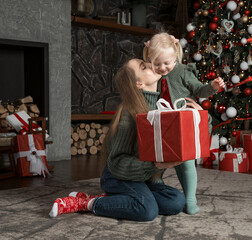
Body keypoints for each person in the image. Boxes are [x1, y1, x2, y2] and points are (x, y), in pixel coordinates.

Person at [49, 58, 187, 221]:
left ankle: (122, 199)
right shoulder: (129, 114)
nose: (151, 65)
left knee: (176, 201)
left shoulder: (161, 107)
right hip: (117, 176)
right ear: (138, 84)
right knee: (147, 210)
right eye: (144, 66)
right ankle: (87, 203)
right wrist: (155, 164)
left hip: (140, 178)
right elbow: (117, 163)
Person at [143, 32, 225, 215]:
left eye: (167, 63)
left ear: (175, 57)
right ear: (150, 59)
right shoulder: (150, 74)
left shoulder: (181, 71)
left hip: (182, 124)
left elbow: (199, 89)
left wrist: (211, 87)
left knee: (186, 162)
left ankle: (190, 198)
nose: (163, 68)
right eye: (157, 64)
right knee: (159, 158)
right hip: (162, 124)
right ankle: (158, 185)